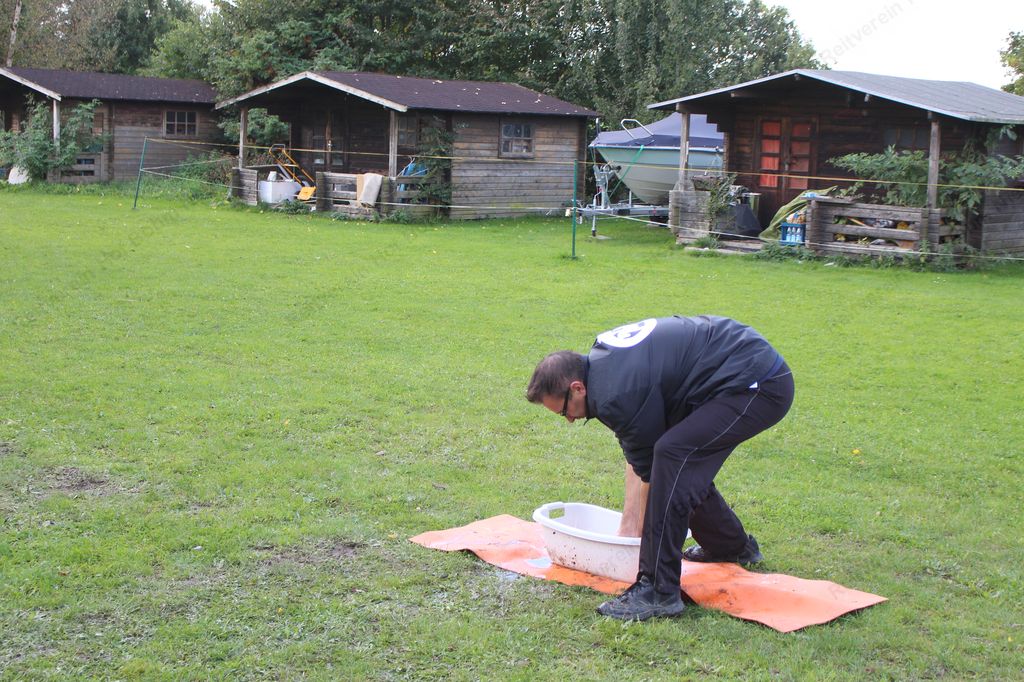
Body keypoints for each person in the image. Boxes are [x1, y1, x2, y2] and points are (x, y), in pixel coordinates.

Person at [526, 315, 794, 622]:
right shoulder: (604, 369)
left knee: (672, 457)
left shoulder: (615, 394)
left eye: (565, 411)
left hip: (758, 384)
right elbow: (646, 462)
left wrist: (637, 544)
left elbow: (652, 472)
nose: (570, 420)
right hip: (736, 370)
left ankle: (657, 590)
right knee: (674, 463)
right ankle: (730, 546)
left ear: (577, 388)